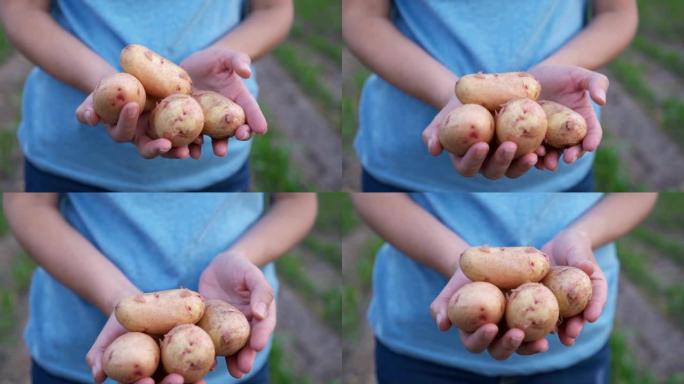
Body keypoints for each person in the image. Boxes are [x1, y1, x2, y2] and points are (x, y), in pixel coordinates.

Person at [3, 192, 317, 384]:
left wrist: (241, 256)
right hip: (71, 356)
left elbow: (297, 203)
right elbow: (28, 205)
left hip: (233, 364)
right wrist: (115, 295)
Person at [352, 192, 657, 383]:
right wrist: (453, 260)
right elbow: (370, 193)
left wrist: (582, 235)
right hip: (421, 345)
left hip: (573, 351)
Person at [343, 0, 638, 192]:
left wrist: (560, 68)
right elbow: (361, 15)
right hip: (409, 168)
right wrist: (448, 93)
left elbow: (616, 13)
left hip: (557, 177)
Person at [0, 0, 293, 192]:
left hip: (214, 173)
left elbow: (272, 9)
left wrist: (229, 59)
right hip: (69, 157)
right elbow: (22, 9)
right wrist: (106, 85)